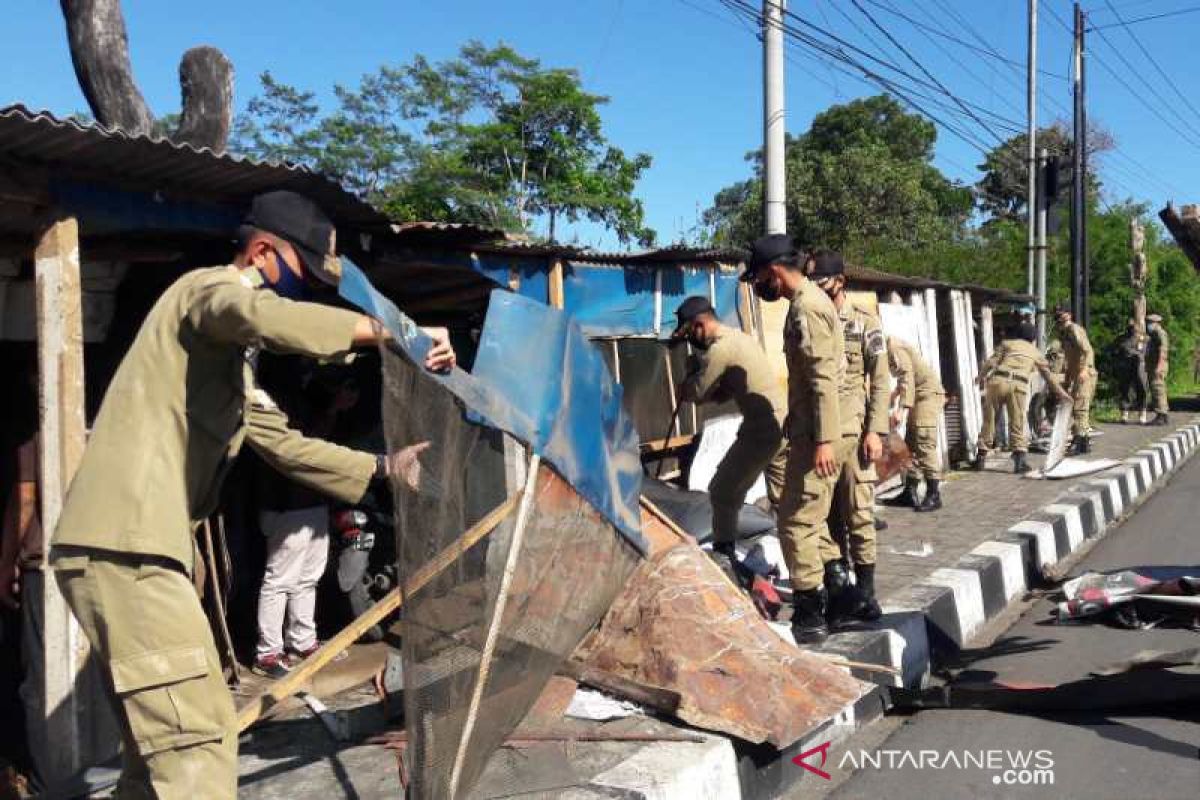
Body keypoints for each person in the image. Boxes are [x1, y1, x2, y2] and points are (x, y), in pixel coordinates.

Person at [48, 190, 456, 798]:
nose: (299, 294)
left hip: (127, 551)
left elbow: (285, 445)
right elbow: (260, 316)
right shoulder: (206, 291)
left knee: (154, 758)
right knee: (201, 745)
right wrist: (393, 332)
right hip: (129, 550)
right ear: (263, 251)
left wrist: (385, 465)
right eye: (299, 276)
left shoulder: (228, 370)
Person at [741, 235, 844, 644]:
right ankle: (839, 591)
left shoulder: (808, 309)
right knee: (803, 517)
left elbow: (823, 380)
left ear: (774, 271)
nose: (760, 286)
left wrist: (824, 441)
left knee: (798, 521)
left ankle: (810, 613)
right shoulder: (803, 305)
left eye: (760, 278)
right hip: (805, 431)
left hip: (818, 435)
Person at [251, 367, 362, 678]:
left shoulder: (300, 397)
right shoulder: (277, 401)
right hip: (286, 503)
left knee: (307, 577)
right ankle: (268, 653)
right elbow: (304, 446)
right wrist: (332, 408)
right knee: (280, 580)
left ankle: (302, 641)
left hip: (309, 502)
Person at [671, 296, 788, 563]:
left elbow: (699, 392)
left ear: (700, 324)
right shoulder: (740, 338)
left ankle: (724, 554)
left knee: (722, 491)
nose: (692, 340)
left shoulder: (720, 349)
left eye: (690, 332)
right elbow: (724, 392)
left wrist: (688, 379)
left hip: (762, 429)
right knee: (786, 500)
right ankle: (818, 561)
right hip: (781, 423)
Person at [809, 250, 890, 624]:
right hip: (822, 431)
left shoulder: (863, 321)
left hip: (856, 430)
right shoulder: (812, 317)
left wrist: (876, 430)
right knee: (825, 515)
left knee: (858, 512)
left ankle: (868, 594)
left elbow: (881, 380)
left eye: (821, 281)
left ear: (839, 281)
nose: (816, 288)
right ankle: (843, 592)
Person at [974, 323, 1072, 474]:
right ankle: (1019, 462)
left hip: (997, 382)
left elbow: (990, 362)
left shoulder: (1007, 344)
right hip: (1018, 385)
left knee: (990, 419)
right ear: (1032, 339)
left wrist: (980, 377)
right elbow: (1048, 376)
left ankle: (980, 458)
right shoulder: (1035, 352)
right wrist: (1061, 393)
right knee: (1017, 421)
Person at [883, 336, 946, 512]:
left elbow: (907, 377)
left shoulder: (894, 347)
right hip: (919, 396)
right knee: (911, 446)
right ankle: (909, 492)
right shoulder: (889, 349)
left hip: (927, 396)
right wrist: (895, 394)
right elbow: (906, 378)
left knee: (924, 441)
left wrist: (901, 410)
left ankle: (934, 494)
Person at [1052, 306, 1096, 454]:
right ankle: (1083, 441)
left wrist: (1084, 370)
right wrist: (1068, 378)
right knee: (1076, 407)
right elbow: (1069, 358)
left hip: (1084, 372)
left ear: (1068, 315)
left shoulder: (1074, 330)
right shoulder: (1063, 333)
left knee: (1080, 406)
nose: (1059, 316)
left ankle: (1079, 441)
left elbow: (1088, 350)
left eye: (1061, 313)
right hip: (1075, 373)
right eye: (1057, 314)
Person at [1113, 320, 1148, 424]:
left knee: (1141, 389)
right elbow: (1115, 351)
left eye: (1133, 327)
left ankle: (1142, 413)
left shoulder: (1143, 339)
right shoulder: (1121, 338)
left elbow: (1146, 352)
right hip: (1125, 366)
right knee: (1125, 389)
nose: (1132, 329)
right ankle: (1124, 413)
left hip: (1139, 366)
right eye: (1130, 327)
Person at [1145, 313, 1170, 425]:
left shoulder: (1160, 333)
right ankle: (1161, 414)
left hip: (1158, 365)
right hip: (1153, 365)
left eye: (1150, 323)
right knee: (1157, 390)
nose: (1148, 325)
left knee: (1158, 389)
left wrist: (1159, 365)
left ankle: (1161, 414)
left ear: (1156, 323)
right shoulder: (1154, 334)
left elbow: (1163, 350)